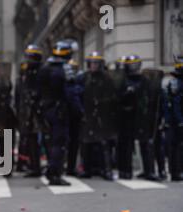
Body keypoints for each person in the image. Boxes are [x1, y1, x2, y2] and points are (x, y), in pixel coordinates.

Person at [37, 41, 73, 186]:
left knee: (49, 142)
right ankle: (55, 174)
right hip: (59, 111)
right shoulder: (65, 69)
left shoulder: (44, 69)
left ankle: (51, 170)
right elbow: (69, 93)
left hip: (45, 110)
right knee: (59, 143)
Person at [78, 52, 118, 180]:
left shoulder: (106, 78)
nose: (93, 65)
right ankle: (87, 170)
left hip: (103, 114)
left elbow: (112, 97)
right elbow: (78, 94)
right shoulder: (84, 77)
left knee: (104, 144)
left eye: (96, 63)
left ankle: (107, 170)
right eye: (92, 63)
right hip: (88, 114)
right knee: (86, 144)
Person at [117, 55, 152, 180]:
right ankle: (125, 171)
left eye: (135, 64)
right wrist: (127, 93)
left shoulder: (144, 80)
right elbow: (117, 98)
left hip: (141, 117)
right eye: (131, 65)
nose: (133, 68)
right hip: (126, 117)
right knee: (126, 145)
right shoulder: (123, 80)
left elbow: (150, 98)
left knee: (145, 144)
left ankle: (149, 171)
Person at [15, 45, 43, 177]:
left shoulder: (41, 73)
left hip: (39, 112)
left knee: (40, 141)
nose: (28, 60)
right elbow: (20, 96)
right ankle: (33, 165)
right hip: (27, 113)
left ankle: (38, 166)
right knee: (30, 140)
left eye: (31, 57)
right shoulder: (25, 75)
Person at [163, 55, 183, 182]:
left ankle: (175, 171)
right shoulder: (176, 83)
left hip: (173, 121)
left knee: (175, 146)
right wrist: (181, 121)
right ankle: (176, 171)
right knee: (177, 147)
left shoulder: (172, 82)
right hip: (176, 121)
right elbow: (175, 104)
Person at [64, 58, 84, 176]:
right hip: (66, 116)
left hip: (75, 117)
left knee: (74, 144)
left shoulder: (79, 83)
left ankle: (70, 166)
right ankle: (66, 166)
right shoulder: (65, 84)